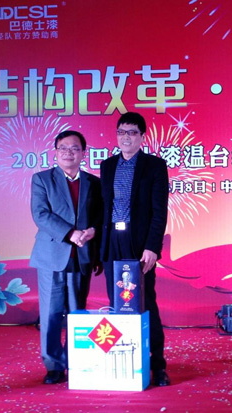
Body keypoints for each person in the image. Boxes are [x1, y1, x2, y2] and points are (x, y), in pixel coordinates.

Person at [100, 112, 171, 386]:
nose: (125, 137)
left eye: (131, 132)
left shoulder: (154, 166)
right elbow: (102, 208)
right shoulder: (107, 166)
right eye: (121, 132)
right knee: (116, 301)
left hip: (139, 243)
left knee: (144, 301)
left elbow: (159, 211)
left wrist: (152, 247)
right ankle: (122, 360)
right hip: (113, 240)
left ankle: (158, 365)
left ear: (142, 136)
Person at [30, 130, 102, 384]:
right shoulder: (42, 179)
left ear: (83, 153)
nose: (68, 153)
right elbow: (40, 214)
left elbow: (99, 215)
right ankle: (53, 366)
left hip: (81, 256)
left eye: (74, 148)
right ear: (55, 152)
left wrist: (93, 231)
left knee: (77, 313)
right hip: (52, 256)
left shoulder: (93, 183)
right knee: (50, 314)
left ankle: (76, 362)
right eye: (63, 148)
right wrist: (71, 233)